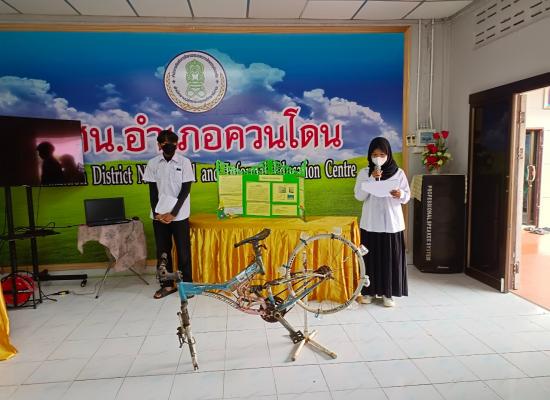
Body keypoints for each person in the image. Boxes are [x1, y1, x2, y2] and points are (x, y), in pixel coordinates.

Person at [354, 137, 410, 307]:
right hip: (370, 223)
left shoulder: (398, 173)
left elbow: (407, 196)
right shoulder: (364, 173)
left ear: (388, 154)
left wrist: (400, 194)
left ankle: (388, 294)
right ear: (369, 155)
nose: (378, 158)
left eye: (382, 154)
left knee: (389, 259)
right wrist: (371, 179)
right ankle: (368, 292)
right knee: (370, 259)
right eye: (374, 155)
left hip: (391, 224)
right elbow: (359, 196)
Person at [143, 130, 195, 299]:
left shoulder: (184, 162)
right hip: (159, 216)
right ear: (159, 145)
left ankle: (186, 285)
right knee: (163, 251)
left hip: (179, 215)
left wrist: (173, 213)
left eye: (172, 143)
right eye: (164, 143)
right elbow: (152, 192)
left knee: (183, 251)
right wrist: (157, 213)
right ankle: (166, 285)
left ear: (177, 144)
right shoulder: (153, 163)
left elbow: (185, 190)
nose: (168, 146)